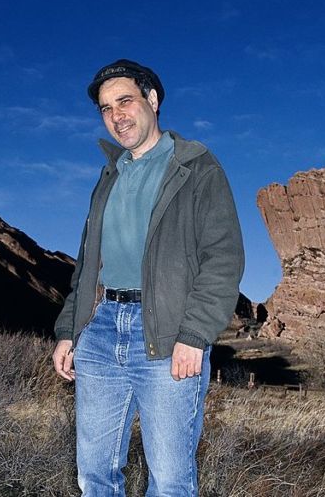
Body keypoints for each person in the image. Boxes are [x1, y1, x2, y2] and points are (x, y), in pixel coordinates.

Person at [52, 59, 244, 496]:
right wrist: (69, 330)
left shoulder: (196, 168)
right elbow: (86, 265)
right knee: (95, 475)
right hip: (99, 332)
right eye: (105, 108)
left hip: (167, 332)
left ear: (152, 100)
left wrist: (195, 335)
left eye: (125, 101)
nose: (116, 115)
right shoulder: (109, 176)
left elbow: (223, 257)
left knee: (171, 480)